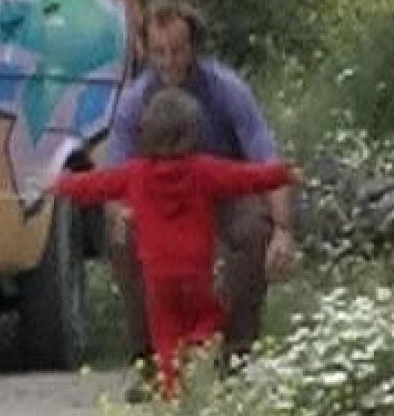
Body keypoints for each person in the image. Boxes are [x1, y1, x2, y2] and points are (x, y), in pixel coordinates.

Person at [102, 0, 297, 399]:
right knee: (127, 240)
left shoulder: (226, 90)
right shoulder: (135, 102)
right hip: (164, 199)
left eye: (177, 50)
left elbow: (266, 160)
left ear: (193, 47)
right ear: (145, 50)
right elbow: (114, 176)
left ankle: (235, 357)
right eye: (159, 52)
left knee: (253, 231)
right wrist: (121, 213)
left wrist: (283, 228)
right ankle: (152, 364)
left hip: (222, 190)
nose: (169, 61)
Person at [53, 87, 298, 397]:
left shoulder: (135, 174)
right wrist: (282, 174)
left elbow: (96, 185)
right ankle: (199, 341)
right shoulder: (203, 170)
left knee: (165, 335)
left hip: (157, 276)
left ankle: (171, 387)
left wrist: (59, 185)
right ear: (191, 135)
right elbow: (244, 177)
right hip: (195, 271)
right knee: (209, 315)